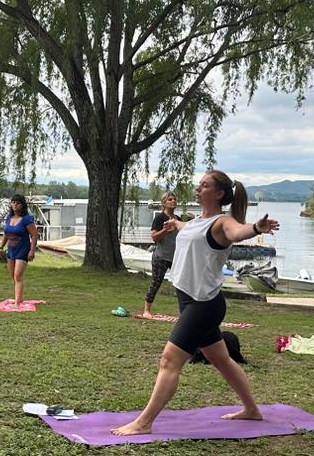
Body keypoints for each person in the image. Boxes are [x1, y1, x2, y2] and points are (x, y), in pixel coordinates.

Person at [112, 170, 279, 436]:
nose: (198, 189)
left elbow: (237, 233)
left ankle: (144, 422)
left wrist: (257, 228)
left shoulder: (222, 222)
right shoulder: (197, 222)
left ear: (220, 193)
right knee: (221, 360)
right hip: (191, 301)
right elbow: (186, 229)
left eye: (204, 186)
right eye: (199, 185)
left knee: (169, 360)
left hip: (203, 305)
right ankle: (252, 410)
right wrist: (173, 225)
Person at [140, 192, 182, 318]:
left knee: (182, 284)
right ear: (164, 203)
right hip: (161, 257)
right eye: (170, 199)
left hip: (175, 258)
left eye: (174, 199)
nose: (173, 201)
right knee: (156, 283)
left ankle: (185, 313)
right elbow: (154, 237)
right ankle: (147, 311)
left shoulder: (178, 220)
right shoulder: (159, 218)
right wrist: (166, 229)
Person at [0, 194, 38, 305]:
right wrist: (1, 247)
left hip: (23, 250)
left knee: (18, 276)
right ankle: (19, 298)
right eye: (13, 202)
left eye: (18, 203)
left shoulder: (26, 219)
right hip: (11, 250)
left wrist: (32, 251)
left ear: (22, 205)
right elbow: (6, 234)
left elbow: (34, 235)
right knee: (13, 276)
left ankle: (17, 304)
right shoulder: (9, 218)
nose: (15, 205)